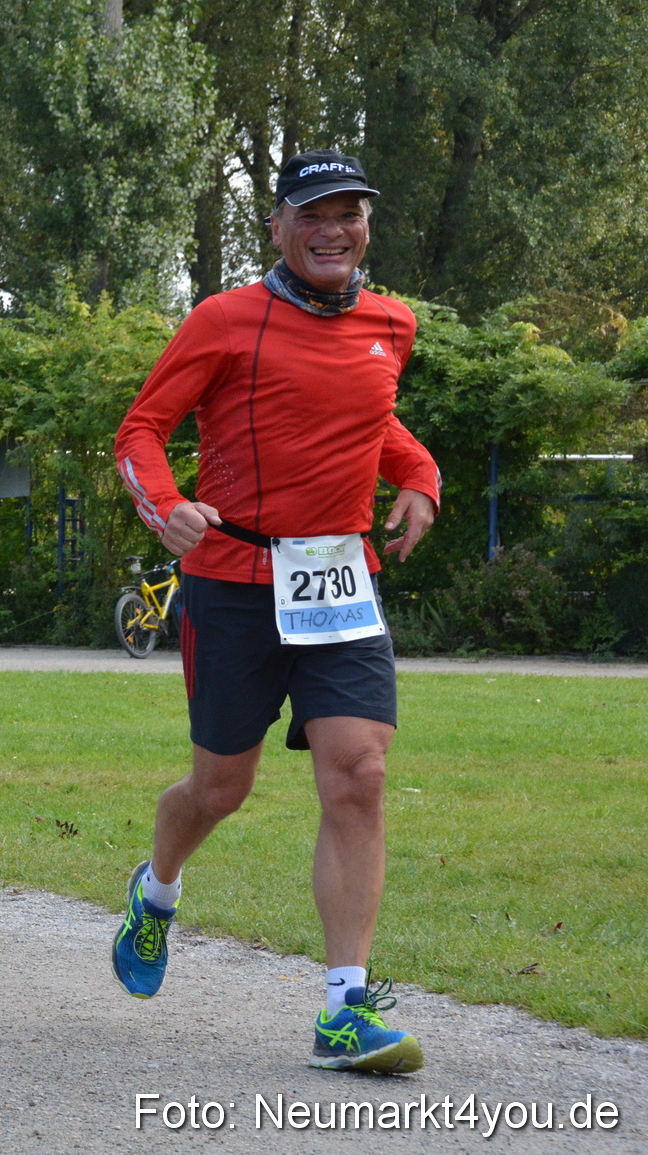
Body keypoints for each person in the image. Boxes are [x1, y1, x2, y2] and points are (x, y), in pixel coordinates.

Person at [110, 150, 440, 1074]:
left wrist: (417, 476)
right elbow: (140, 429)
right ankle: (157, 887)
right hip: (234, 579)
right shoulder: (223, 320)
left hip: (339, 578)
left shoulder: (391, 322)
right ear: (278, 226)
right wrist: (166, 506)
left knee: (358, 772)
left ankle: (344, 1008)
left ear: (368, 226)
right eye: (314, 213)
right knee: (219, 789)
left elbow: (369, 423)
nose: (334, 230)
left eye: (352, 213)